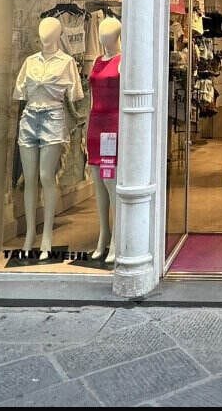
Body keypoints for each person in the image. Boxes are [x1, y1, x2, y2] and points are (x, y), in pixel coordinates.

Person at [13, 16, 84, 259]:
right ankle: (30, 234)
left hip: (54, 117)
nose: (44, 35)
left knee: (46, 176)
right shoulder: (29, 62)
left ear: (58, 34)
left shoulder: (67, 62)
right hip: (30, 117)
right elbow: (20, 93)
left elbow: (75, 95)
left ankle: (47, 236)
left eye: (50, 30)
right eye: (42, 30)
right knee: (29, 178)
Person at [87, 16, 121, 263]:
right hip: (95, 124)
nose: (102, 37)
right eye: (100, 33)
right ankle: (103, 234)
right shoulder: (97, 61)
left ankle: (117, 237)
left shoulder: (123, 61)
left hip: (113, 125)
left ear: (117, 35)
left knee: (112, 182)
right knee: (98, 183)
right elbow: (91, 96)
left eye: (107, 33)